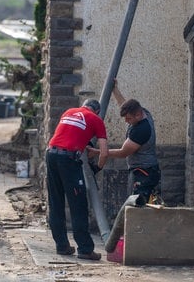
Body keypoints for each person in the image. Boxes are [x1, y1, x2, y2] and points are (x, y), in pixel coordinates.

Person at [46, 99, 108, 260]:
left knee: (56, 202)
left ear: (84, 106)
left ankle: (62, 246)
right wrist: (98, 167)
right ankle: (85, 249)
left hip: (51, 154)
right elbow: (104, 152)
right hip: (68, 160)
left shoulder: (69, 112)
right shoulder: (96, 120)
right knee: (78, 204)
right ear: (97, 111)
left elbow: (71, 133)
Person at [88, 80, 161, 203]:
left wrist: (96, 152)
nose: (126, 121)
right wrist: (115, 89)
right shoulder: (143, 112)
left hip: (144, 173)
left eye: (128, 118)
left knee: (139, 207)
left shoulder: (141, 130)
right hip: (148, 170)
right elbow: (124, 105)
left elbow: (123, 153)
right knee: (148, 206)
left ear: (137, 115)